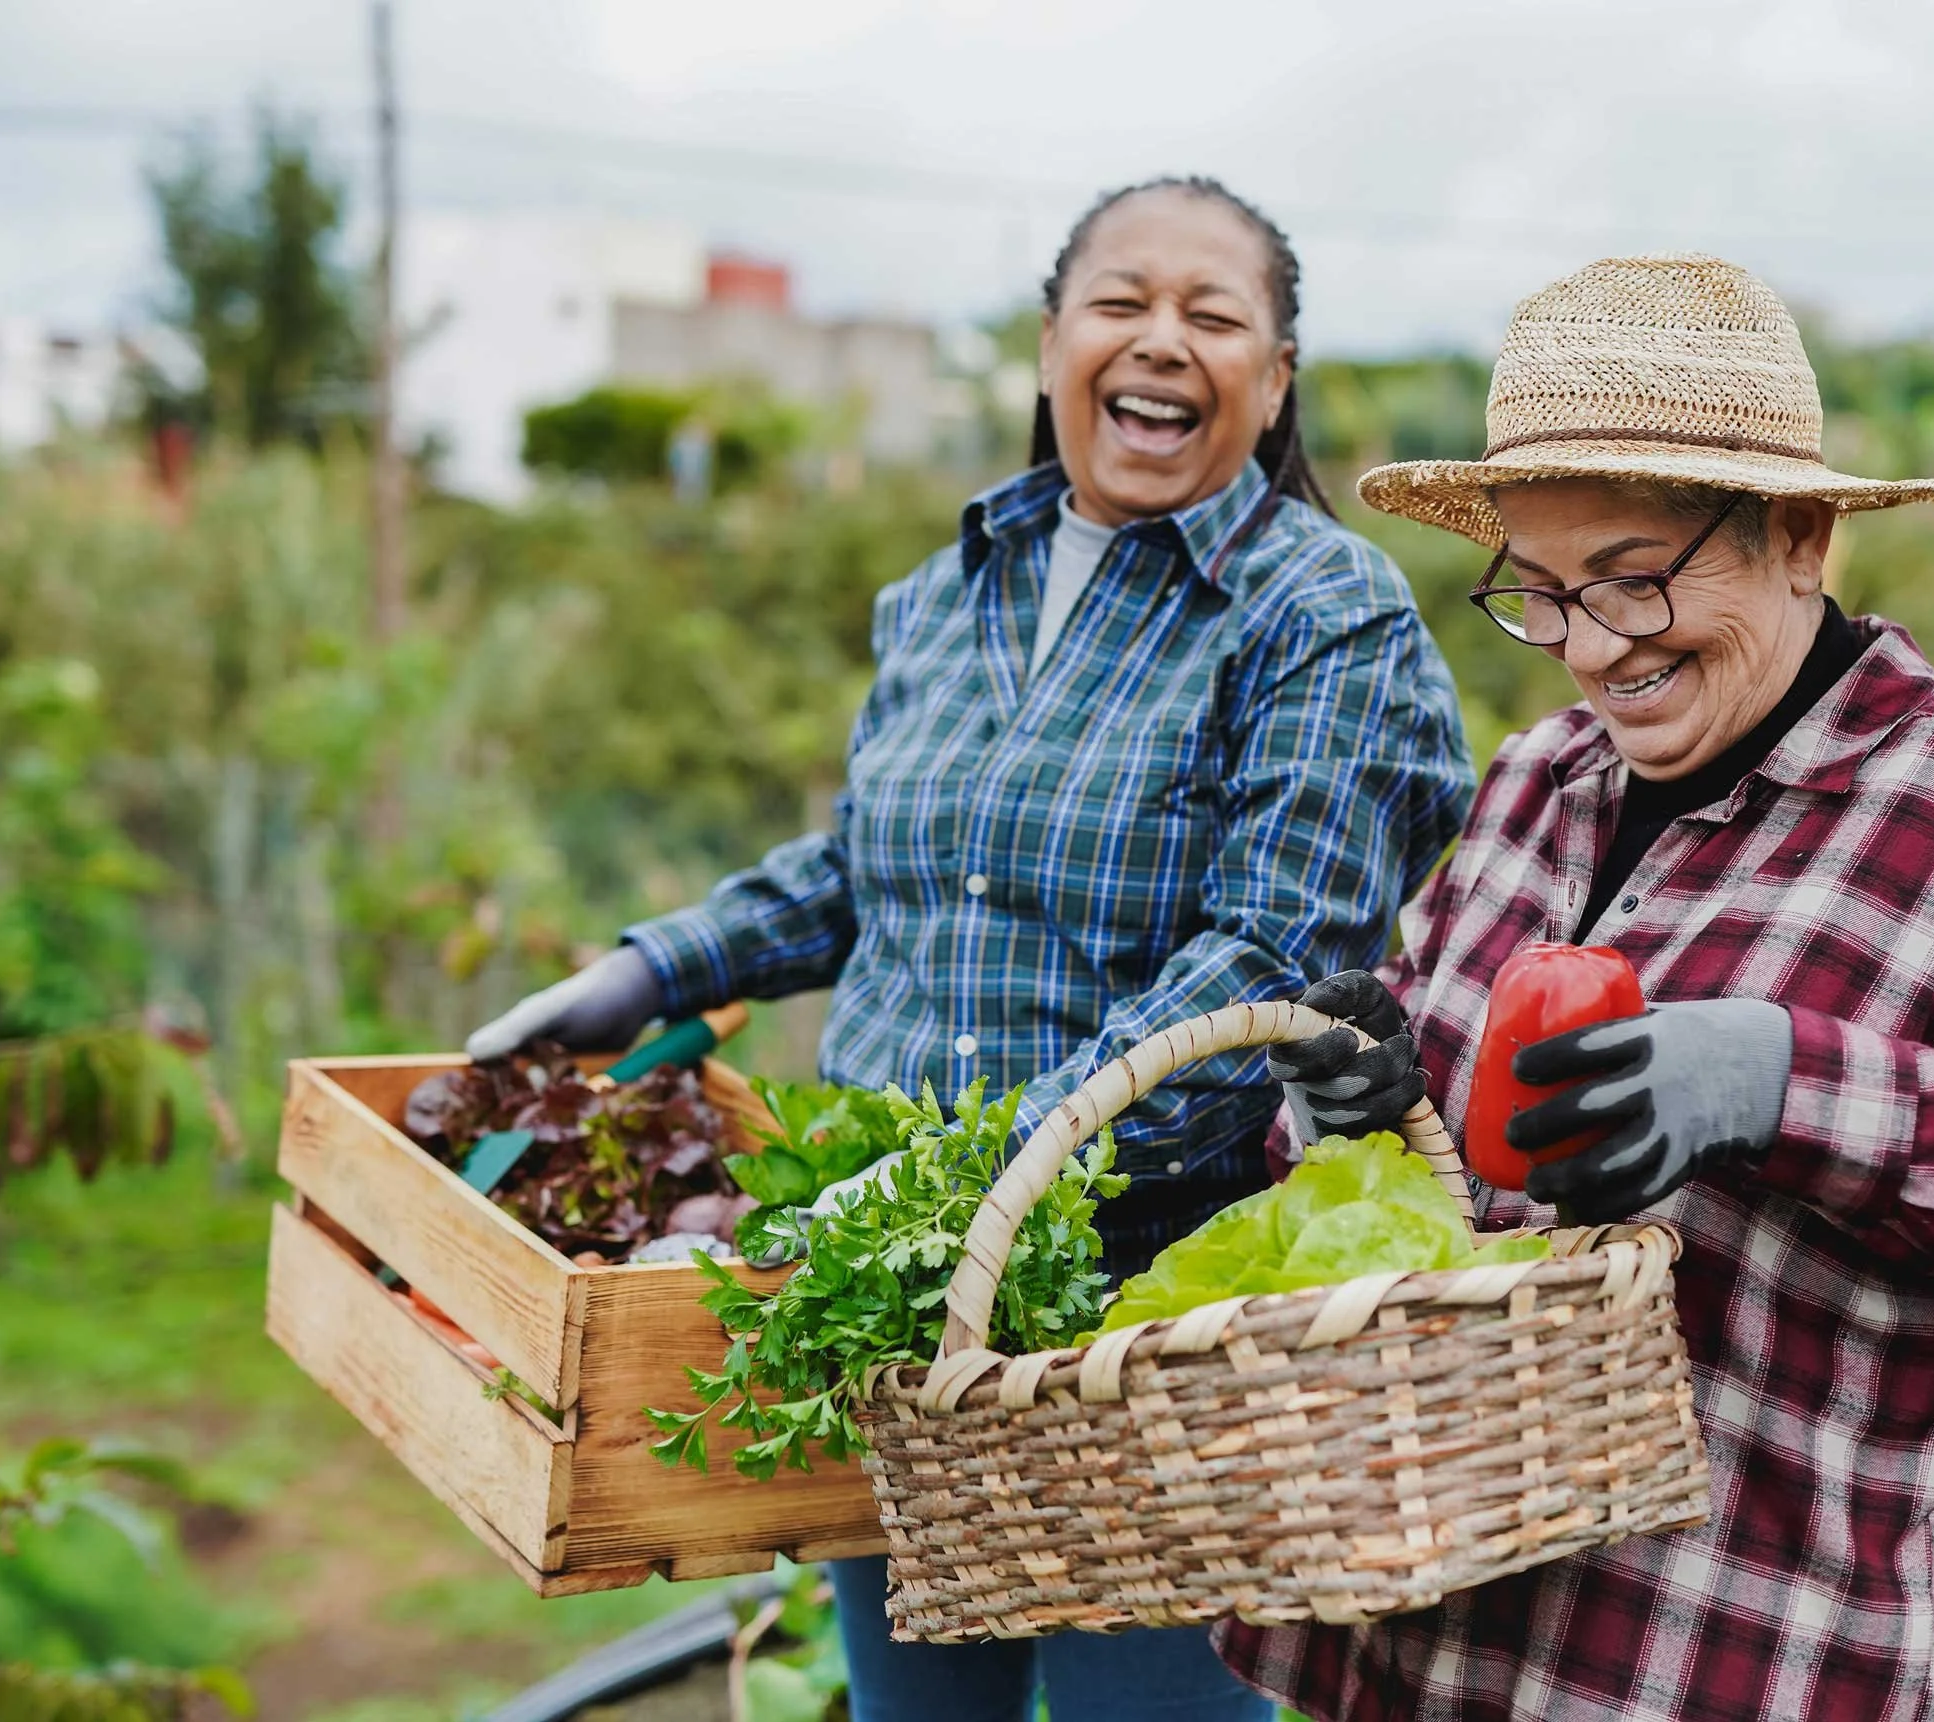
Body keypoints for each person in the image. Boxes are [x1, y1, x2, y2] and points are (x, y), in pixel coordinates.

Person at [468, 178, 1472, 1722]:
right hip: (885, 1288)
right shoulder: (947, 592)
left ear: (1275, 382)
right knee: (917, 1705)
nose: (1161, 343)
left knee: (1152, 1711)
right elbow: (880, 867)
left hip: (1136, 1305)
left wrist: (979, 1182)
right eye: (1120, 301)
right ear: (1051, 339)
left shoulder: (1322, 610)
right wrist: (660, 967)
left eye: (1215, 318)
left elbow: (1270, 949)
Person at [1227, 254, 1934, 1722]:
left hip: (1742, 1665)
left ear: (1801, 534)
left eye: (1639, 577)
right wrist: (1356, 1115)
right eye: (1543, 588)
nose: (1590, 645)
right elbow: (1454, 1208)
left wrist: (1791, 1081)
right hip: (1431, 1659)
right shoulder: (1533, 786)